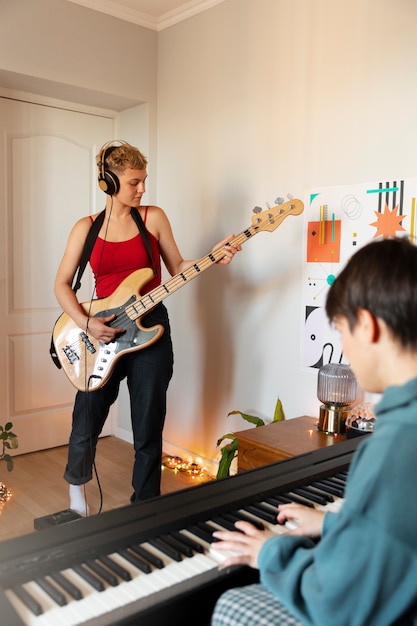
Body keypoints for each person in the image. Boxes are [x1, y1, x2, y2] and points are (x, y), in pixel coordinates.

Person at [211, 236, 417, 626]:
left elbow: (338, 603)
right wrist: (334, 524)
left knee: (233, 606)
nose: (345, 349)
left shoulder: (397, 445)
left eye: (341, 331)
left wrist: (270, 552)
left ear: (368, 325)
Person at [54, 140, 241, 515]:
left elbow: (176, 267)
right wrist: (87, 323)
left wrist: (212, 258)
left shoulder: (153, 217)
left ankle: (145, 508)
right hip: (100, 330)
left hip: (151, 326)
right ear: (107, 183)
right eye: (134, 182)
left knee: (148, 422)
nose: (142, 189)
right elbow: (61, 284)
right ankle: (77, 496)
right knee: (87, 415)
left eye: (144, 181)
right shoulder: (85, 228)